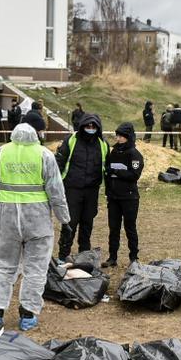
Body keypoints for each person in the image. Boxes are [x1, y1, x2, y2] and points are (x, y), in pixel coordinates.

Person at [0, 123, 70, 332]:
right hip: (37, 221)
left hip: (7, 219)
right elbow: (56, 190)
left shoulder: (1, 153)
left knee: (3, 265)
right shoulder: (44, 155)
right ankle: (28, 313)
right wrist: (64, 219)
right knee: (36, 268)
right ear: (36, 134)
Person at [54, 112, 108, 261]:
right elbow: (59, 162)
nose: (90, 128)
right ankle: (62, 256)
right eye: (88, 126)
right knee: (70, 222)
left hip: (92, 190)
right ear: (82, 126)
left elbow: (107, 167)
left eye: (93, 126)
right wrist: (56, 184)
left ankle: (84, 255)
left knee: (87, 223)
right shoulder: (71, 140)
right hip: (72, 188)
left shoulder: (103, 144)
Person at [104, 122, 144, 267]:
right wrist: (108, 189)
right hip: (114, 197)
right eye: (118, 135)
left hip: (129, 197)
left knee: (130, 227)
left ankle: (134, 257)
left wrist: (116, 172)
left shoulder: (134, 154)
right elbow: (107, 171)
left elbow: (134, 175)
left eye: (122, 136)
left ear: (128, 137)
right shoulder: (114, 152)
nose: (119, 138)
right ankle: (112, 257)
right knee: (113, 228)